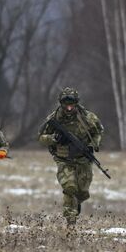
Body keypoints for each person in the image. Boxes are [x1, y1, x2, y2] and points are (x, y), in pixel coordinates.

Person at [37, 87, 104, 228]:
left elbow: (99, 131)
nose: (68, 107)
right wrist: (53, 138)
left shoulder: (87, 117)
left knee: (83, 191)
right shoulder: (54, 118)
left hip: (83, 159)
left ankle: (76, 203)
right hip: (64, 159)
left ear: (76, 103)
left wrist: (93, 145)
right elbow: (40, 137)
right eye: (65, 103)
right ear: (61, 103)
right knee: (69, 187)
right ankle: (70, 222)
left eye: (71, 103)